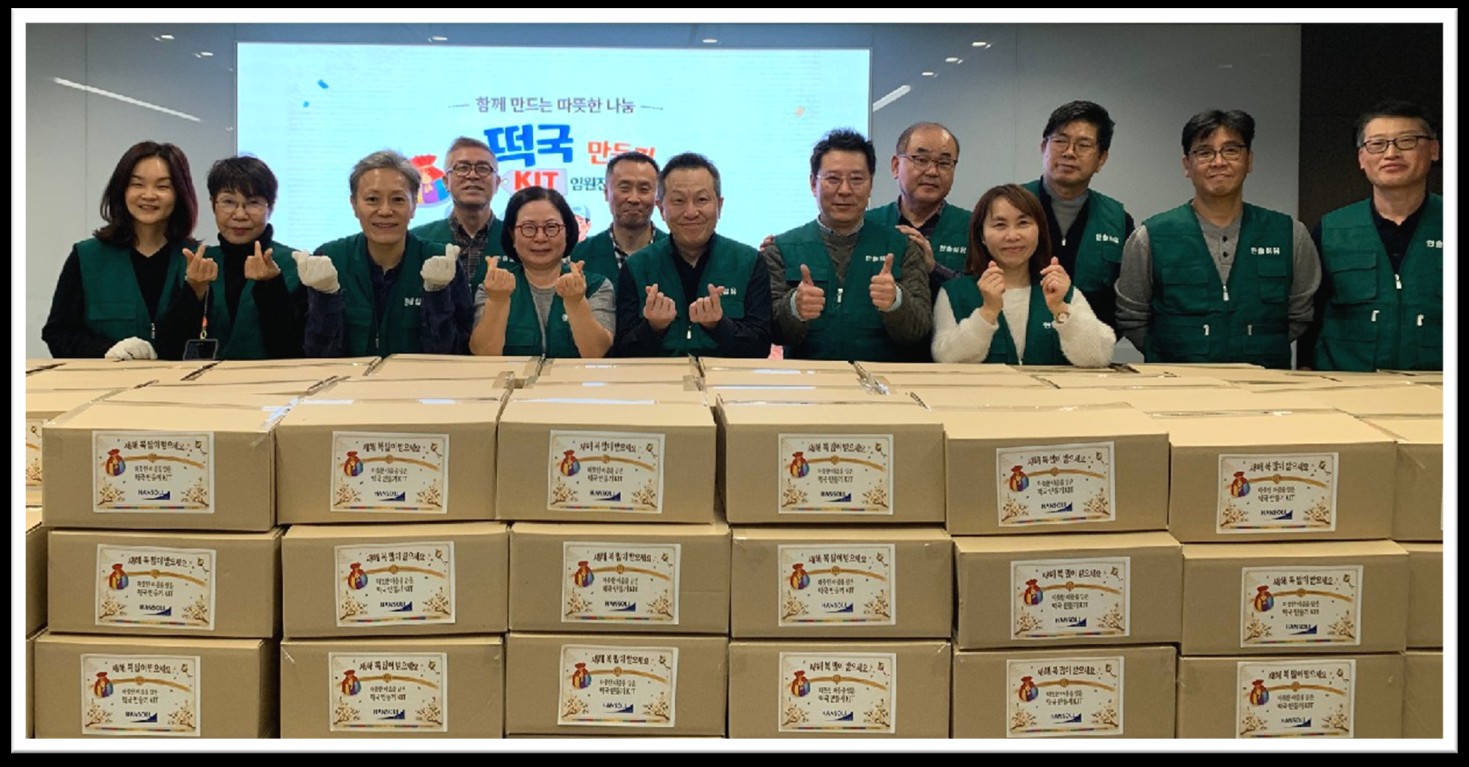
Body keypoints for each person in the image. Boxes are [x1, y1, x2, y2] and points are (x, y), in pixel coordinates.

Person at [1115, 109, 1320, 368]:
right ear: (1187, 165)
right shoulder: (1150, 237)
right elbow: (1132, 316)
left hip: (1265, 382)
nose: (1218, 162)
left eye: (1231, 150)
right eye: (1204, 152)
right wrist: (1171, 351)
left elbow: (1300, 314)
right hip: (1177, 383)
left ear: (1249, 160)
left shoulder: (1290, 234)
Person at [765, 128, 931, 362]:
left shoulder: (902, 247)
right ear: (813, 184)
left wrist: (896, 302)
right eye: (833, 179)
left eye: (856, 179)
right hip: (809, 380)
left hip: (882, 380)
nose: (844, 190)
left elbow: (920, 331)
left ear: (870, 184)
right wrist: (794, 308)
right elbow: (768, 330)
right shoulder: (781, 249)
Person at [1300, 99, 1442, 371]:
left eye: (1407, 141)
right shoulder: (1333, 229)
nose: (1391, 153)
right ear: (1361, 158)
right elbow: (1311, 314)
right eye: (1377, 144)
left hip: (1438, 385)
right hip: (1347, 384)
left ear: (1433, 150)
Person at [296, 149, 473, 356]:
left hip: (420, 377)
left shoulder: (442, 260)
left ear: (414, 205)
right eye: (372, 199)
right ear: (354, 205)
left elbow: (455, 354)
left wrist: (437, 295)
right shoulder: (329, 258)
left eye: (398, 199)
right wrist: (325, 297)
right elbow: (316, 355)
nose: (385, 211)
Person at [42, 140, 203, 360]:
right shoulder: (87, 257)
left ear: (180, 193)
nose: (149, 195)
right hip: (105, 380)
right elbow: (57, 334)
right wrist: (106, 350)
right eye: (137, 184)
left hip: (181, 381)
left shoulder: (198, 260)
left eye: (162, 186)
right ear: (121, 189)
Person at [932, 184, 1115, 366]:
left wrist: (1060, 309)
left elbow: (1098, 357)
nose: (1012, 236)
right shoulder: (955, 293)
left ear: (1039, 230)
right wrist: (987, 312)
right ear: (982, 235)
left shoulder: (1062, 291)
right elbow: (946, 358)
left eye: (1023, 223)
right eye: (1000, 225)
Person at [614, 152, 771, 357]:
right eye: (678, 200)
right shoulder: (637, 266)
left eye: (702, 199)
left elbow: (761, 348)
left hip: (726, 376)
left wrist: (718, 326)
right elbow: (622, 351)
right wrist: (653, 328)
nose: (691, 212)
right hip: (660, 376)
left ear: (719, 206)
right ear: (661, 209)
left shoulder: (749, 262)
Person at [159, 155, 305, 359]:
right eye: (228, 202)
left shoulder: (295, 264)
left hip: (273, 378)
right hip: (201, 378)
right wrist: (194, 291)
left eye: (253, 203)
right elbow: (168, 348)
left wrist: (271, 288)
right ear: (213, 205)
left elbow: (297, 350)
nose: (240, 215)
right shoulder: (196, 263)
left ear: (270, 207)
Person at [1021, 100, 1134, 332]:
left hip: (1087, 346)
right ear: (1044, 147)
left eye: (1083, 145)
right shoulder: (1009, 205)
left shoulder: (1118, 220)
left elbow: (1126, 301)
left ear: (1101, 159)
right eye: (1060, 141)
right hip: (1016, 345)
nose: (1069, 152)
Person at [469, 186, 614, 358]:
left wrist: (576, 302)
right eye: (528, 227)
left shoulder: (596, 286)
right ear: (512, 235)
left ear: (567, 232)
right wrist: (497, 301)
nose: (540, 238)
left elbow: (596, 353)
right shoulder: (493, 287)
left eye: (551, 227)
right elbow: (483, 354)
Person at [865, 121, 965, 292]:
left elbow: (982, 293)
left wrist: (934, 269)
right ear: (896, 166)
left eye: (944, 163)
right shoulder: (867, 224)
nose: (932, 171)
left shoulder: (973, 227)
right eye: (921, 160)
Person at [408, 136, 506, 286]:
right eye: (462, 168)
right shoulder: (416, 240)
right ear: (446, 182)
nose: (472, 175)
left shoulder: (517, 240)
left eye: (483, 168)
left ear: (497, 183)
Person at [570, 151, 666, 285]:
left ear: (657, 196)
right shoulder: (578, 256)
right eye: (624, 188)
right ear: (606, 193)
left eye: (644, 189)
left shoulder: (677, 253)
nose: (634, 199)